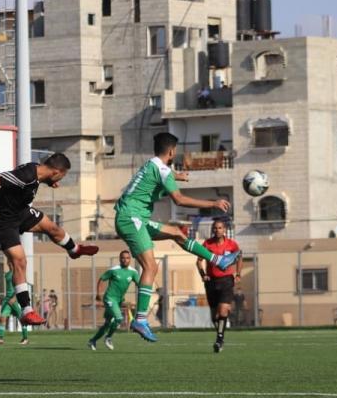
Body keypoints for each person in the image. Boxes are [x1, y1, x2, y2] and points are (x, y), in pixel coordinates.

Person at [114, 132, 238, 342]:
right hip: (131, 219)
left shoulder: (151, 166)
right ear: (171, 152)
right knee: (150, 267)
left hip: (133, 217)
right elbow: (179, 200)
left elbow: (155, 185)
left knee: (177, 233)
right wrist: (213, 203)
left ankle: (218, 260)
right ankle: (140, 320)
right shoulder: (162, 170)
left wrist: (175, 176)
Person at [0, 153, 99, 326]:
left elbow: (37, 181)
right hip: (2, 221)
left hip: (20, 212)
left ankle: (75, 250)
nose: (60, 180)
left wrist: (50, 182)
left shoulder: (37, 171)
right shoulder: (27, 175)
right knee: (19, 261)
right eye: (61, 176)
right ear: (56, 172)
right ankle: (27, 311)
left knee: (53, 228)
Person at [195, 219, 242, 353]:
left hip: (226, 281)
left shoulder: (232, 244)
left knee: (223, 310)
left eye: (220, 228)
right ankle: (220, 336)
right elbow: (198, 261)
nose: (217, 230)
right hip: (211, 281)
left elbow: (239, 257)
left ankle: (219, 340)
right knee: (214, 317)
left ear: (224, 229)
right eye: (215, 228)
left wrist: (238, 274)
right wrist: (203, 274)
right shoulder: (207, 244)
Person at [88, 250, 139, 351]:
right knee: (119, 318)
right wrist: (98, 294)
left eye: (127, 258)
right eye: (123, 258)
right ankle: (108, 338)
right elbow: (101, 279)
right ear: (120, 259)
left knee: (107, 324)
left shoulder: (133, 272)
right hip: (109, 298)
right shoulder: (114, 270)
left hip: (119, 300)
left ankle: (92, 341)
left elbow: (140, 284)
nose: (125, 260)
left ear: (130, 259)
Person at [0, 261, 29, 345]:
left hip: (15, 299)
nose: (9, 263)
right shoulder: (7, 274)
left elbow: (21, 286)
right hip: (7, 299)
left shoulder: (18, 273)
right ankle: (0, 338)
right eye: (8, 262)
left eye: (10, 262)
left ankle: (25, 338)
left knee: (21, 319)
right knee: (2, 317)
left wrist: (15, 297)